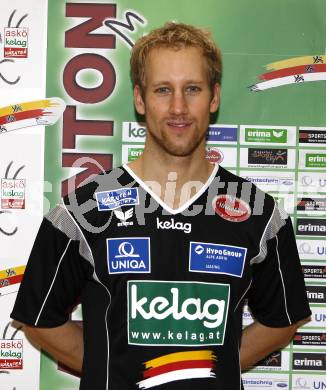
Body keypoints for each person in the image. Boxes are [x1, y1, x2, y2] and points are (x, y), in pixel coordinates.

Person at [11, 22, 310, 389]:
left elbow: (283, 319)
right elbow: (39, 319)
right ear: (140, 99)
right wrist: (115, 367)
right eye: (163, 90)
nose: (178, 108)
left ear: (214, 97)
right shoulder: (82, 212)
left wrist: (205, 368)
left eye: (193, 89)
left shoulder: (259, 214)